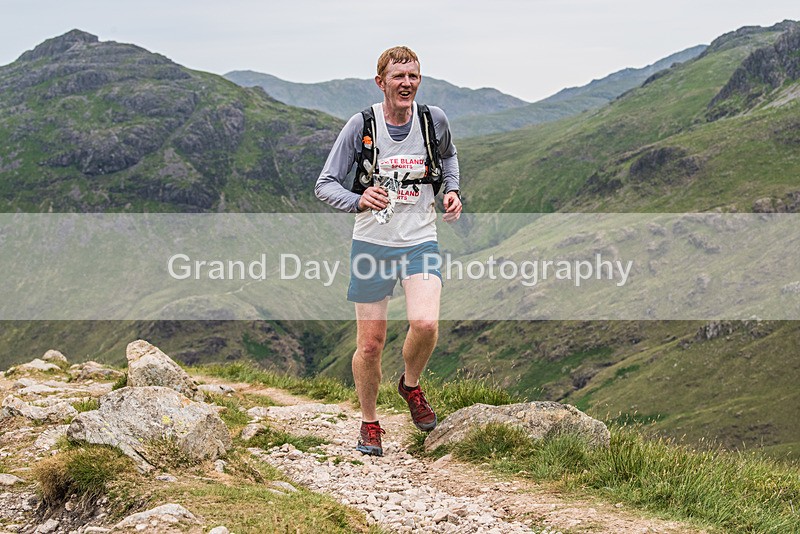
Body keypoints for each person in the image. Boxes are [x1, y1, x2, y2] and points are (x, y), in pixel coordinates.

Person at [315, 46, 462, 456]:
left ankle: (410, 386)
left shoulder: (434, 121)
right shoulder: (361, 126)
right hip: (372, 245)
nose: (407, 83)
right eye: (398, 77)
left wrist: (451, 191)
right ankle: (369, 422)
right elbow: (325, 184)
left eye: (413, 76)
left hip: (420, 240)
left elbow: (448, 156)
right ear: (381, 82)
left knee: (427, 324)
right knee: (370, 345)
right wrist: (359, 200)